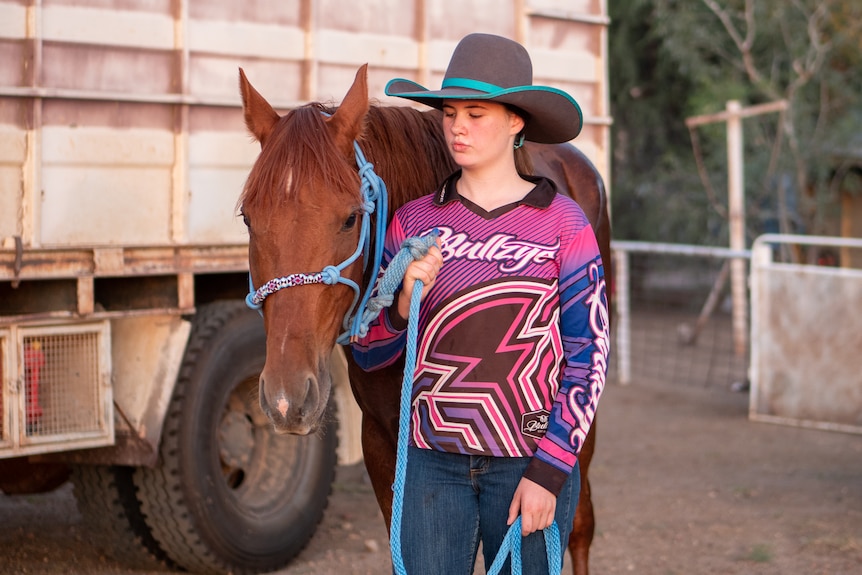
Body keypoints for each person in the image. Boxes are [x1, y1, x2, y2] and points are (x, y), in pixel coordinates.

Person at [351, 33, 609, 574]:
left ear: (516, 121)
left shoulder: (565, 224)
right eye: (449, 113)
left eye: (476, 113)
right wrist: (399, 306)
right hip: (429, 464)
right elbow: (369, 352)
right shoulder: (413, 223)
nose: (457, 127)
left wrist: (550, 471)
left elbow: (590, 355)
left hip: (526, 462)